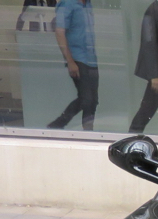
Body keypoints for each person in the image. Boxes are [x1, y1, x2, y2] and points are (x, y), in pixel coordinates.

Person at [48, 0, 99, 130]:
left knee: (92, 101)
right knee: (86, 99)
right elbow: (60, 32)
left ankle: (88, 131)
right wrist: (70, 61)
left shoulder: (87, 4)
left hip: (91, 58)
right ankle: (58, 124)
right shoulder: (67, 4)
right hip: (77, 58)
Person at [129, 0, 158, 133]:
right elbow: (148, 44)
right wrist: (154, 75)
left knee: (147, 108)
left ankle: (133, 133)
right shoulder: (152, 11)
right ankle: (133, 133)